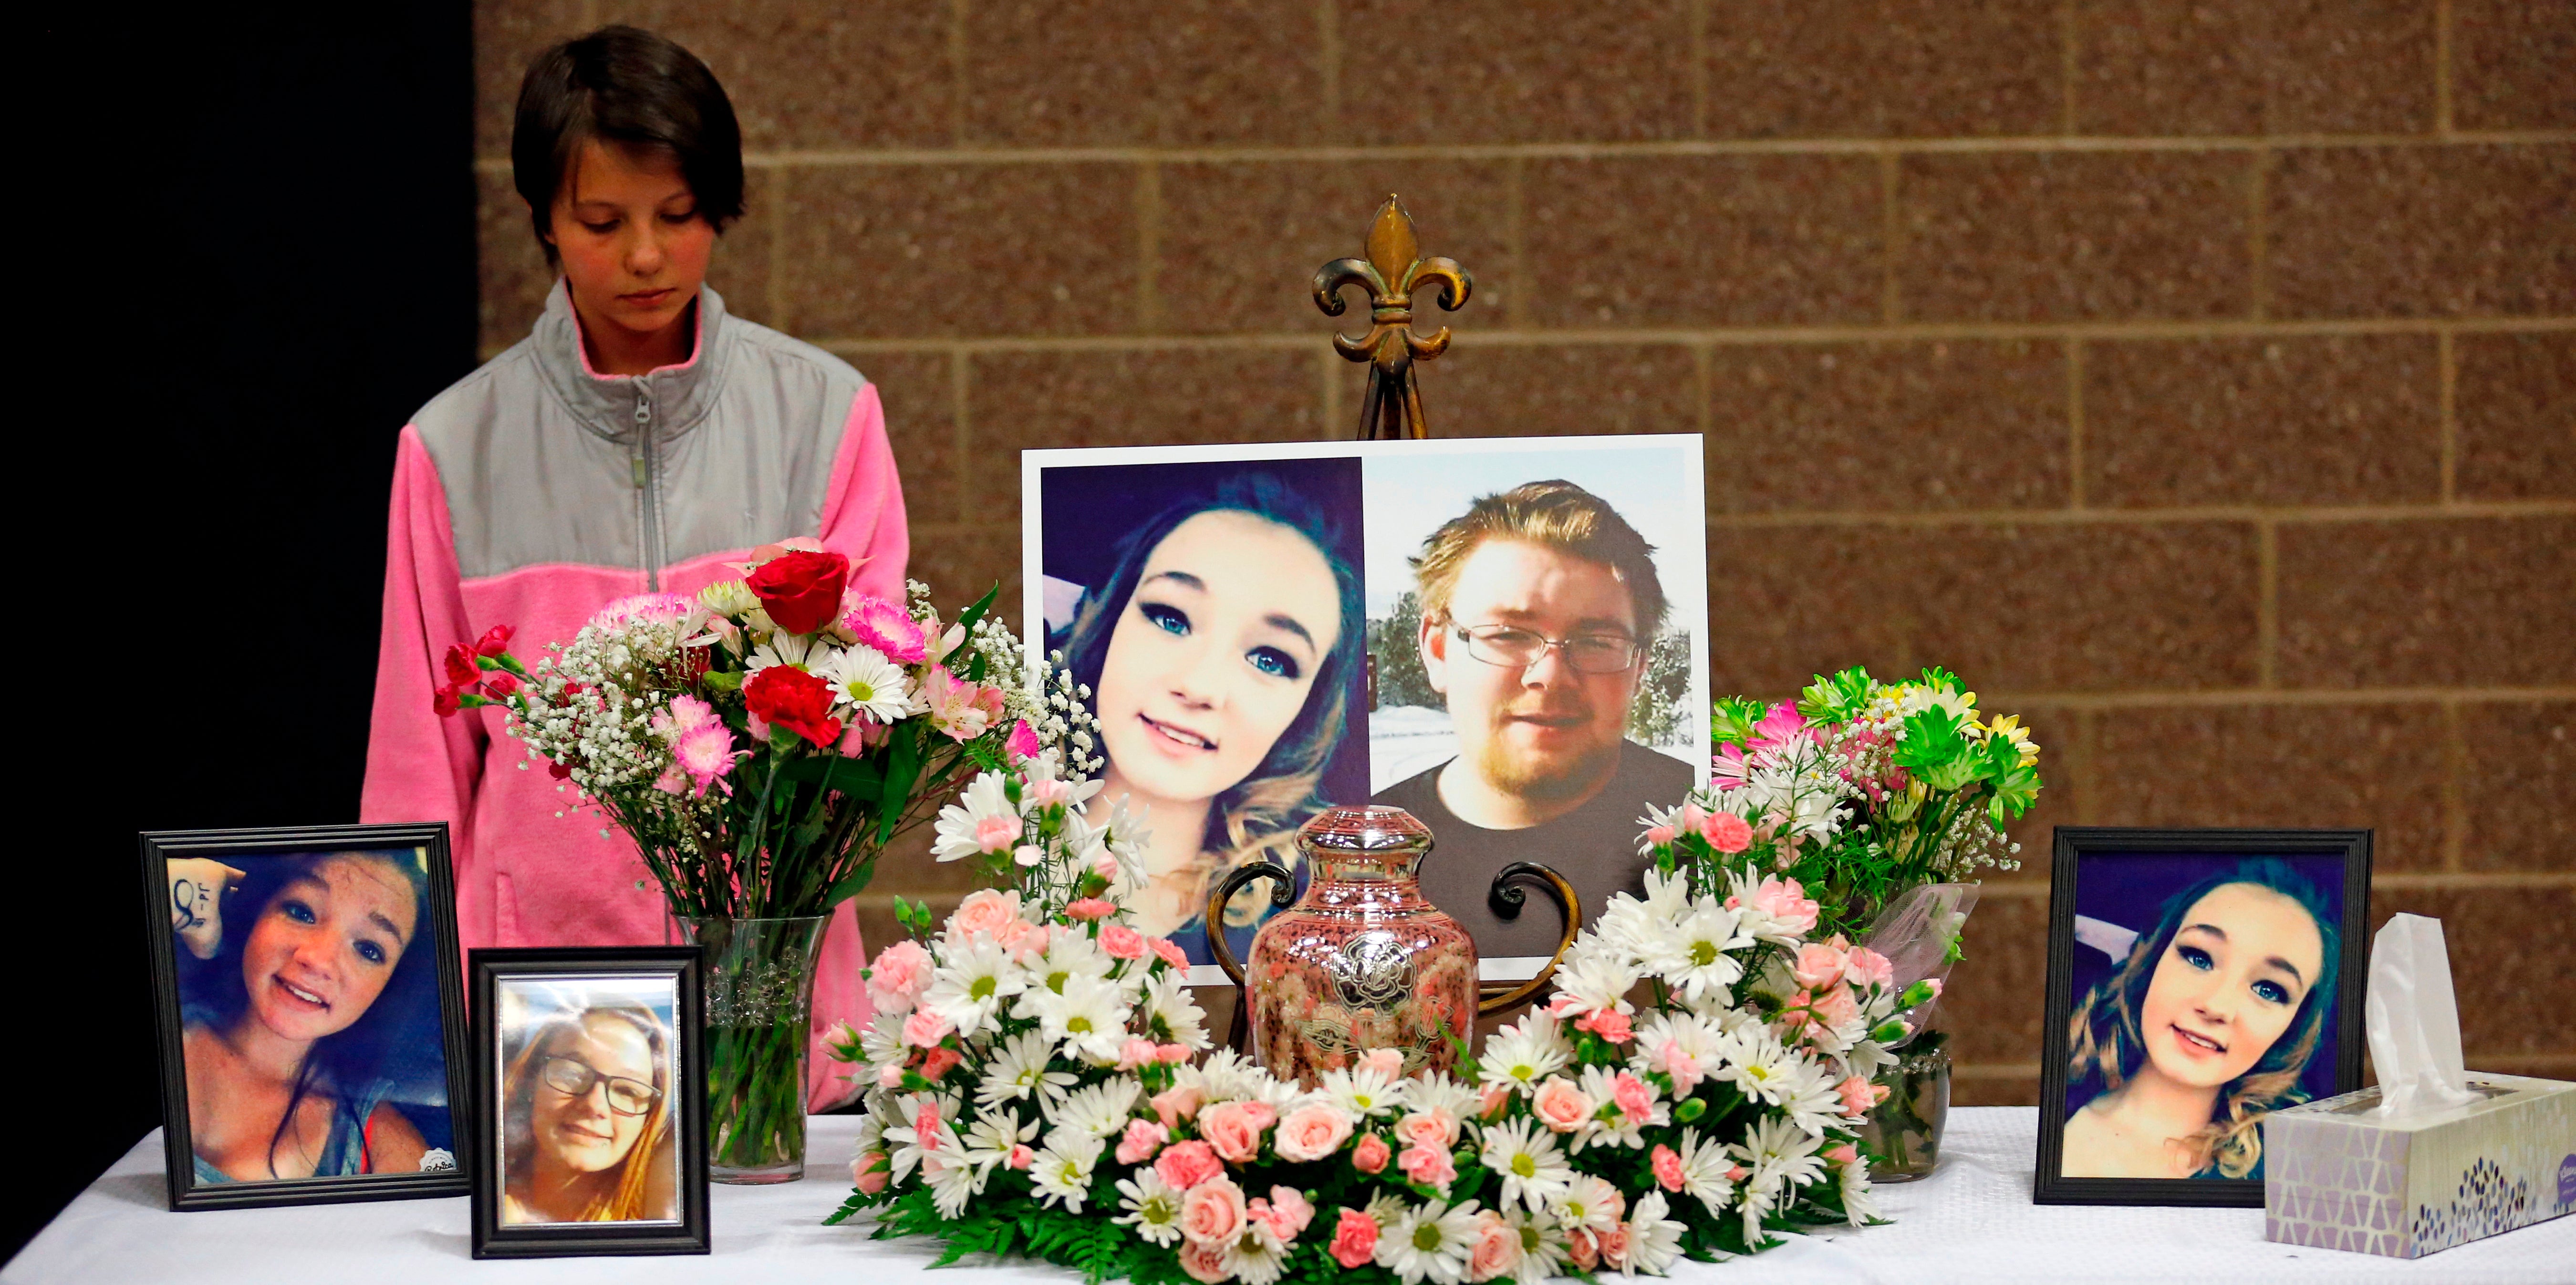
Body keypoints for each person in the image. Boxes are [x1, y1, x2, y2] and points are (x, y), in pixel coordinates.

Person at [361, 26, 906, 1108]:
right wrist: (408, 1055)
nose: (646, 257)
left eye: (678, 216)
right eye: (602, 222)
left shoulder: (825, 414)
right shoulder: (450, 447)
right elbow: (415, 772)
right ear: (546, 221)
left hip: (776, 1024)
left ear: (721, 208)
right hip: (544, 1030)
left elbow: (873, 717)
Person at [1372, 480, 1693, 956]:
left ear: (1641, 665)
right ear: (1437, 650)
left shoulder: (1722, 838)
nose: (1551, 676)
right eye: (1507, 636)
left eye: (1597, 641)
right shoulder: (1358, 855)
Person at [1056, 471, 1366, 961]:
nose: (1200, 687)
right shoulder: (983, 823)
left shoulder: (1307, 936)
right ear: (1110, 621)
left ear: (1305, 713)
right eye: (1171, 618)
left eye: (1270, 659)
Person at [2061, 860, 2339, 1180]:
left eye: (2268, 990)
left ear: (2291, 1029)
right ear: (2152, 961)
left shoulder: (2292, 1178)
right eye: (2199, 957)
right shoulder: (2047, 1110)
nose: (2217, 1006)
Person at [173, 851, 442, 1183]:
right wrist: (174, 883)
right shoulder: (171, 1016)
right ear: (257, 913)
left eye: (369, 950)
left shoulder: (382, 1146)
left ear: (389, 988)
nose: (318, 960)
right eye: (301, 912)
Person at [500, 1000, 677, 1223]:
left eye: (628, 1091)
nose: (595, 1106)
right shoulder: (476, 1209)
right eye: (572, 1074)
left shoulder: (659, 1219)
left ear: (649, 1119)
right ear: (530, 1082)